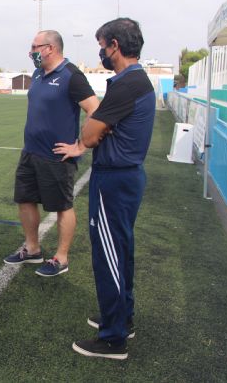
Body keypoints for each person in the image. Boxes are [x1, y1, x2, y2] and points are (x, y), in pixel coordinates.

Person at [72, 18, 155, 360]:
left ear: (115, 46)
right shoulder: (136, 81)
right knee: (121, 251)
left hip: (114, 181)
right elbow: (98, 129)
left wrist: (98, 130)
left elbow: (89, 136)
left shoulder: (126, 84)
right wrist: (102, 127)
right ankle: (122, 318)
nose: (101, 53)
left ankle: (113, 338)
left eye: (103, 46)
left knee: (108, 255)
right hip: (125, 178)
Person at [3, 30, 99, 277]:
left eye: (35, 46)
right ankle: (32, 249)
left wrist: (81, 145)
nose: (31, 51)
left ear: (51, 48)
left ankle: (61, 258)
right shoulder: (37, 73)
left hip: (56, 157)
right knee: (25, 199)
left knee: (62, 206)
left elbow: (95, 110)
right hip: (30, 152)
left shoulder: (71, 76)